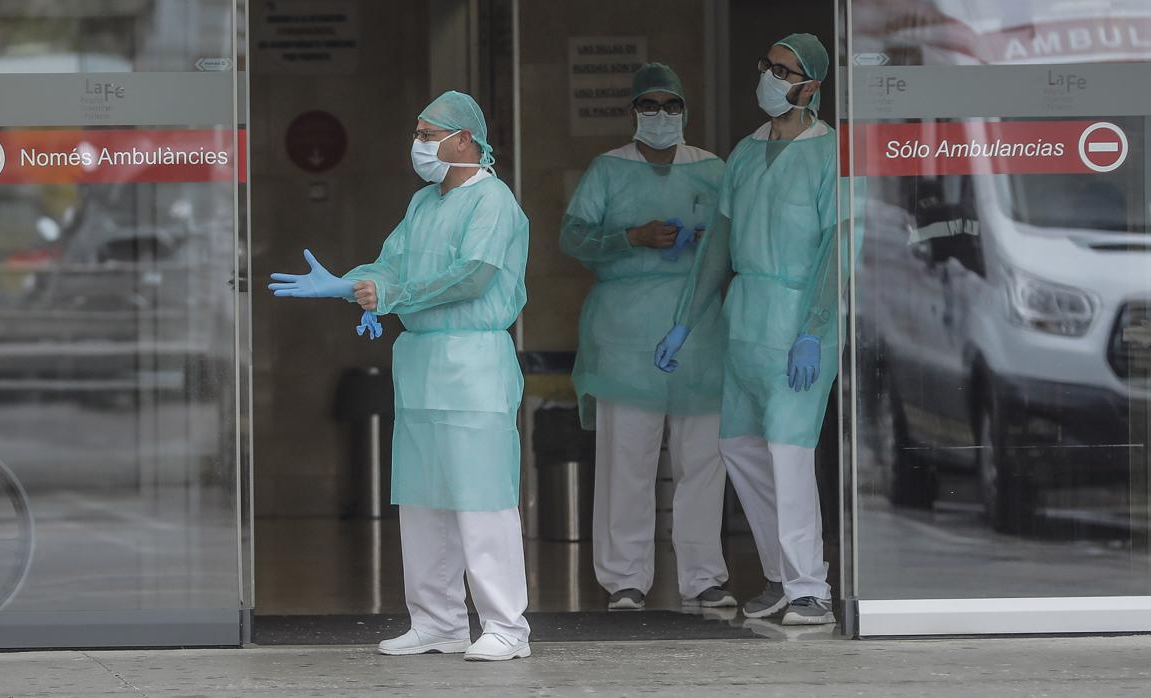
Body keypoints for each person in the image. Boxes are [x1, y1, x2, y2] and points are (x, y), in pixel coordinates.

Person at [269, 91, 532, 660]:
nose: (419, 144)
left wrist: (394, 294)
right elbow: (392, 263)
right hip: (421, 365)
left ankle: (507, 627)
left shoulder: (493, 202)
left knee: (482, 500)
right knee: (423, 500)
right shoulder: (423, 205)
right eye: (418, 132)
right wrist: (350, 283)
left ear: (465, 139)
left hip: (474, 363)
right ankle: (437, 621)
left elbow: (473, 277)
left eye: (429, 133)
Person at [655, 34, 851, 625]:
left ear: (810, 87)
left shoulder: (830, 154)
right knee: (739, 447)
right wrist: (684, 322)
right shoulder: (744, 153)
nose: (768, 75)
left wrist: (816, 327)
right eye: (766, 64)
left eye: (784, 70)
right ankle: (780, 577)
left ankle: (812, 588)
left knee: (791, 457)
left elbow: (837, 249)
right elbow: (717, 244)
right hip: (745, 322)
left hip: (798, 321)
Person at [561, 63, 734, 611]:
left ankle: (704, 576)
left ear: (686, 110)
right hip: (624, 336)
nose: (661, 116)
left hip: (700, 331)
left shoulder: (713, 168)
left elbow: (740, 235)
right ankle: (625, 580)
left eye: (671, 106)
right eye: (649, 106)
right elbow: (574, 237)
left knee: (703, 460)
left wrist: (710, 243)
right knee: (626, 459)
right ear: (633, 112)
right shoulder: (608, 169)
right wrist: (631, 237)